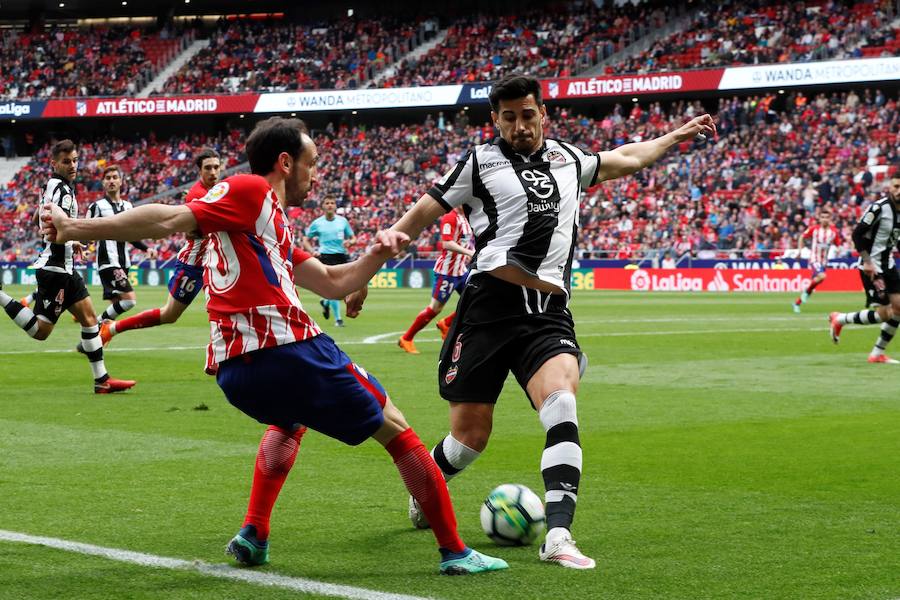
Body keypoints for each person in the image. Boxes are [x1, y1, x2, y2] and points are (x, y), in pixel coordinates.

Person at [43, 117, 507, 576]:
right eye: (311, 163)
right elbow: (170, 218)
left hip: (236, 372)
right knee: (396, 426)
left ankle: (254, 532)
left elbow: (333, 281)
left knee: (288, 422)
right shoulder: (250, 190)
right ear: (285, 163)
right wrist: (74, 228)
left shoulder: (269, 224)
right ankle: (455, 552)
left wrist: (378, 254)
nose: (315, 173)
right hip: (287, 349)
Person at [388, 74, 716, 569]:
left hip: (546, 314)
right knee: (469, 438)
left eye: (528, 114)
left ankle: (558, 534)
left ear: (543, 114)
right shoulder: (478, 163)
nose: (520, 125)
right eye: (509, 117)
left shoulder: (570, 158)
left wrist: (675, 136)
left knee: (561, 404)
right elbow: (417, 218)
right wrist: (365, 269)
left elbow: (627, 158)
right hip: (487, 310)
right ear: (495, 120)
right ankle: (426, 489)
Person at [0, 139, 134, 393]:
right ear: (54, 163)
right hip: (55, 269)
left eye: (74, 160)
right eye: (66, 162)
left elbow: (45, 219)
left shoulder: (54, 186)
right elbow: (57, 225)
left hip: (67, 266)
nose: (72, 165)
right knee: (41, 331)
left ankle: (102, 381)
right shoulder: (60, 189)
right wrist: (73, 238)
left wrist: (72, 242)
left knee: (90, 319)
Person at [99, 148, 220, 345]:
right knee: (170, 314)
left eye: (216, 167)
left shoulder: (217, 190)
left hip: (214, 262)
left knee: (220, 309)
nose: (213, 172)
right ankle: (111, 328)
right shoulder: (197, 195)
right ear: (199, 171)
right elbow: (194, 231)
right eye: (208, 168)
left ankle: (219, 356)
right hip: (194, 264)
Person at [829, 173, 900, 364]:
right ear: (890, 187)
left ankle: (877, 354)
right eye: (896, 186)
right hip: (872, 267)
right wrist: (867, 262)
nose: (898, 191)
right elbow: (857, 234)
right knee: (886, 314)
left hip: (889, 264)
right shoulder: (879, 208)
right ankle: (840, 319)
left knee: (899, 308)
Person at [398, 205, 473, 354]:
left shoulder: (465, 217)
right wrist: (469, 252)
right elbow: (446, 243)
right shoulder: (450, 217)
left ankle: (446, 323)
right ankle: (406, 338)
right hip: (447, 272)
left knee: (474, 300)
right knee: (435, 309)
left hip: (461, 270)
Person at [86, 165, 154, 324]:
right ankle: (95, 325)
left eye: (115, 177)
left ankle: (96, 340)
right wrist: (82, 247)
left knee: (115, 306)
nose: (111, 181)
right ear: (103, 182)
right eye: (108, 178)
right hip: (108, 262)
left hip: (124, 262)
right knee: (130, 300)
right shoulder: (97, 206)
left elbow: (131, 235)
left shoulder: (128, 207)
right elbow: (84, 229)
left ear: (121, 181)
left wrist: (146, 248)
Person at [303, 196, 356, 327]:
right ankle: (338, 319)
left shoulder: (343, 221)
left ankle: (325, 303)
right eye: (327, 203)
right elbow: (305, 239)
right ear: (323, 207)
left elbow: (353, 237)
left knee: (342, 288)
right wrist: (312, 251)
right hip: (326, 257)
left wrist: (350, 242)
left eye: (332, 203)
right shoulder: (317, 223)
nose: (330, 205)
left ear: (336, 206)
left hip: (341, 256)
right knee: (334, 287)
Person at [792, 209, 839, 313]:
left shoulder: (834, 232)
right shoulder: (814, 229)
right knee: (822, 276)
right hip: (814, 259)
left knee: (817, 282)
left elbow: (837, 244)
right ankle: (805, 293)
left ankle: (797, 303)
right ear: (819, 218)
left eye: (827, 217)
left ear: (830, 219)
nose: (824, 219)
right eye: (822, 217)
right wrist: (799, 251)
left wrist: (838, 249)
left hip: (823, 262)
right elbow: (801, 237)